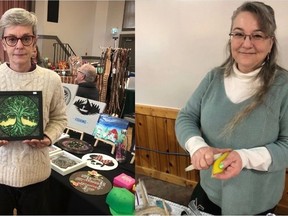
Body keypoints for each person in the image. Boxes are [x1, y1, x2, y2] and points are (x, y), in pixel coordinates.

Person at [175, 2, 288, 215]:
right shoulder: (213, 78)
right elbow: (186, 117)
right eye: (239, 34)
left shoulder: (284, 87)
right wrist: (197, 146)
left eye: (257, 35)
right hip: (209, 192)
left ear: (270, 42)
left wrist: (243, 158)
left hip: (257, 202)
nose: (247, 43)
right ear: (231, 38)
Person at [0, 8, 67, 215]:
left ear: (34, 41)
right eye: (12, 39)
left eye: (25, 38)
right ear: (3, 43)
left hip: (37, 176)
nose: (19, 45)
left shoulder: (52, 80)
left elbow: (59, 118)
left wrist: (48, 137)